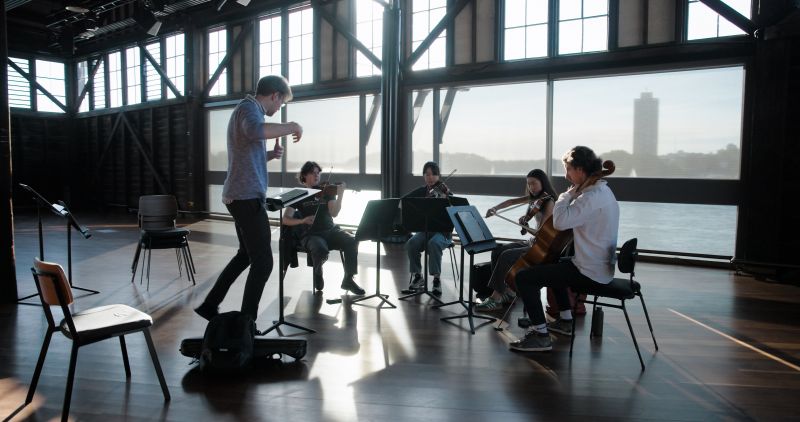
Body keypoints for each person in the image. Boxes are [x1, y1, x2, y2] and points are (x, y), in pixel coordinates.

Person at [194, 75, 303, 322]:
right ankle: (247, 321)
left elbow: (246, 152)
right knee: (263, 262)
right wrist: (293, 125)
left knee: (246, 255)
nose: (279, 108)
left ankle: (210, 305)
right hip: (245, 198)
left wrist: (269, 155)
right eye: (281, 103)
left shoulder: (248, 111)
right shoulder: (249, 109)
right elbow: (254, 131)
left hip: (239, 195)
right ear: (274, 95)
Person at [509, 146, 619, 352]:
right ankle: (565, 321)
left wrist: (565, 196)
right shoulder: (603, 191)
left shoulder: (590, 197)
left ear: (580, 169)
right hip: (599, 266)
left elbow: (559, 222)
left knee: (524, 277)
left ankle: (541, 336)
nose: (567, 175)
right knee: (555, 264)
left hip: (590, 272)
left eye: (568, 169)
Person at [475, 169, 556, 312]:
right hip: (532, 242)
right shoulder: (535, 198)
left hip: (541, 247)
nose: (531, 187)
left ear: (543, 182)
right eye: (529, 184)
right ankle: (508, 292)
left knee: (506, 256)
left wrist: (525, 226)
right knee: (497, 251)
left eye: (534, 184)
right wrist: (495, 208)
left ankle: (496, 297)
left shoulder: (549, 202)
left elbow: (541, 233)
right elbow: (511, 201)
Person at [282, 161, 365, 295]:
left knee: (352, 241)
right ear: (304, 176)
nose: (317, 176)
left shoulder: (327, 192)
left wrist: (341, 195)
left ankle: (348, 279)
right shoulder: (298, 194)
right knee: (320, 248)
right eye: (313, 173)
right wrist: (302, 220)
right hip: (311, 235)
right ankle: (318, 270)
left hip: (331, 231)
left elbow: (334, 213)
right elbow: (285, 219)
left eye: (318, 173)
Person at [403, 161, 453, 296]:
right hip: (425, 230)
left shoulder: (445, 191)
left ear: (438, 176)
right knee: (412, 243)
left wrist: (447, 195)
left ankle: (436, 280)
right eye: (427, 174)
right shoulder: (422, 190)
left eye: (433, 175)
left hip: (443, 233)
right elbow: (404, 200)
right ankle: (418, 276)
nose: (430, 178)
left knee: (434, 243)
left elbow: (455, 207)